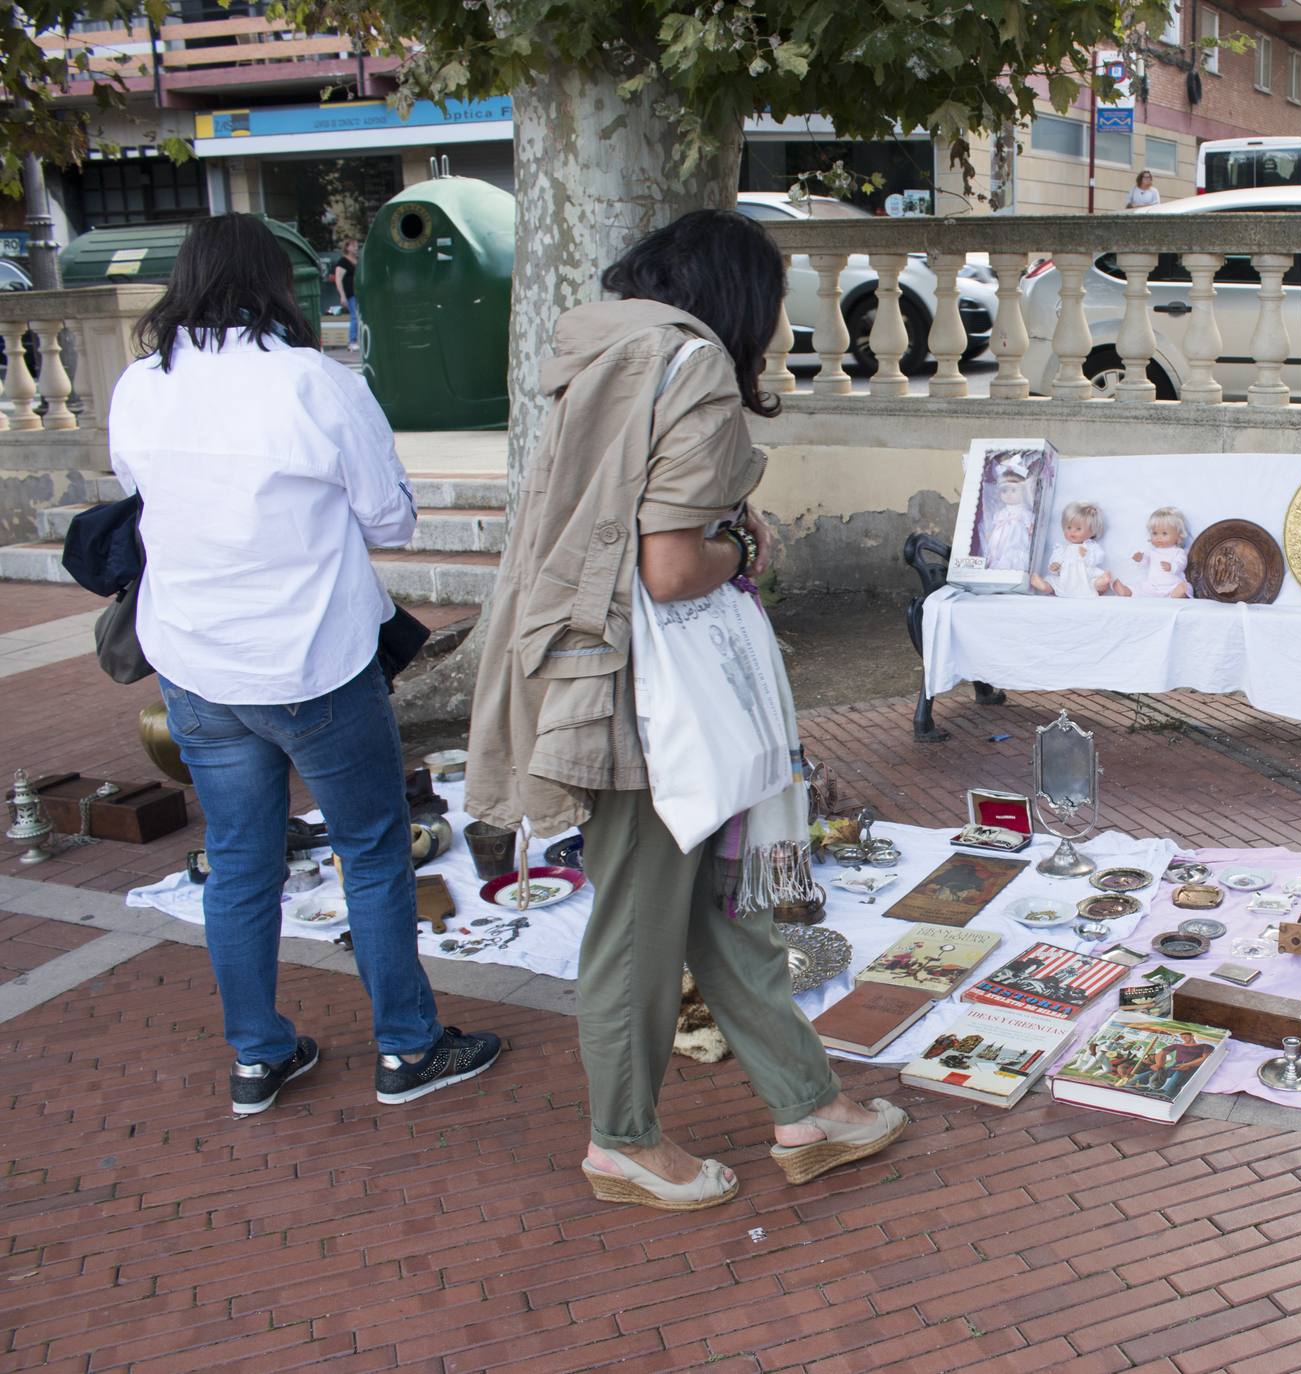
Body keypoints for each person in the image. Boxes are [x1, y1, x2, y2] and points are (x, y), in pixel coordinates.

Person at [466, 208, 905, 1212]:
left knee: (712, 906)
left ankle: (807, 1104)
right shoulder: (693, 366)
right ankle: (622, 1139)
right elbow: (669, 570)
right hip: (643, 700)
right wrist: (743, 551)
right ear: (737, 298)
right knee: (636, 924)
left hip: (595, 671)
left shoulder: (607, 351)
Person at [107, 214, 502, 1117]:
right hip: (311, 664)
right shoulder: (313, 382)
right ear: (276, 286)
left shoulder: (141, 384)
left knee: (240, 862)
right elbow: (390, 520)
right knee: (370, 852)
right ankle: (406, 1047)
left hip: (198, 664)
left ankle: (258, 1057)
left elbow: (138, 490)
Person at [333, 238, 359, 348]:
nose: (356, 248)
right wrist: (342, 296)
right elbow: (338, 279)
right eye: (353, 246)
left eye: (357, 246)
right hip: (350, 293)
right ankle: (352, 341)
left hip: (359, 293)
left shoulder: (357, 260)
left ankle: (358, 340)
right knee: (355, 316)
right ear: (347, 247)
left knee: (359, 317)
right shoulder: (343, 262)